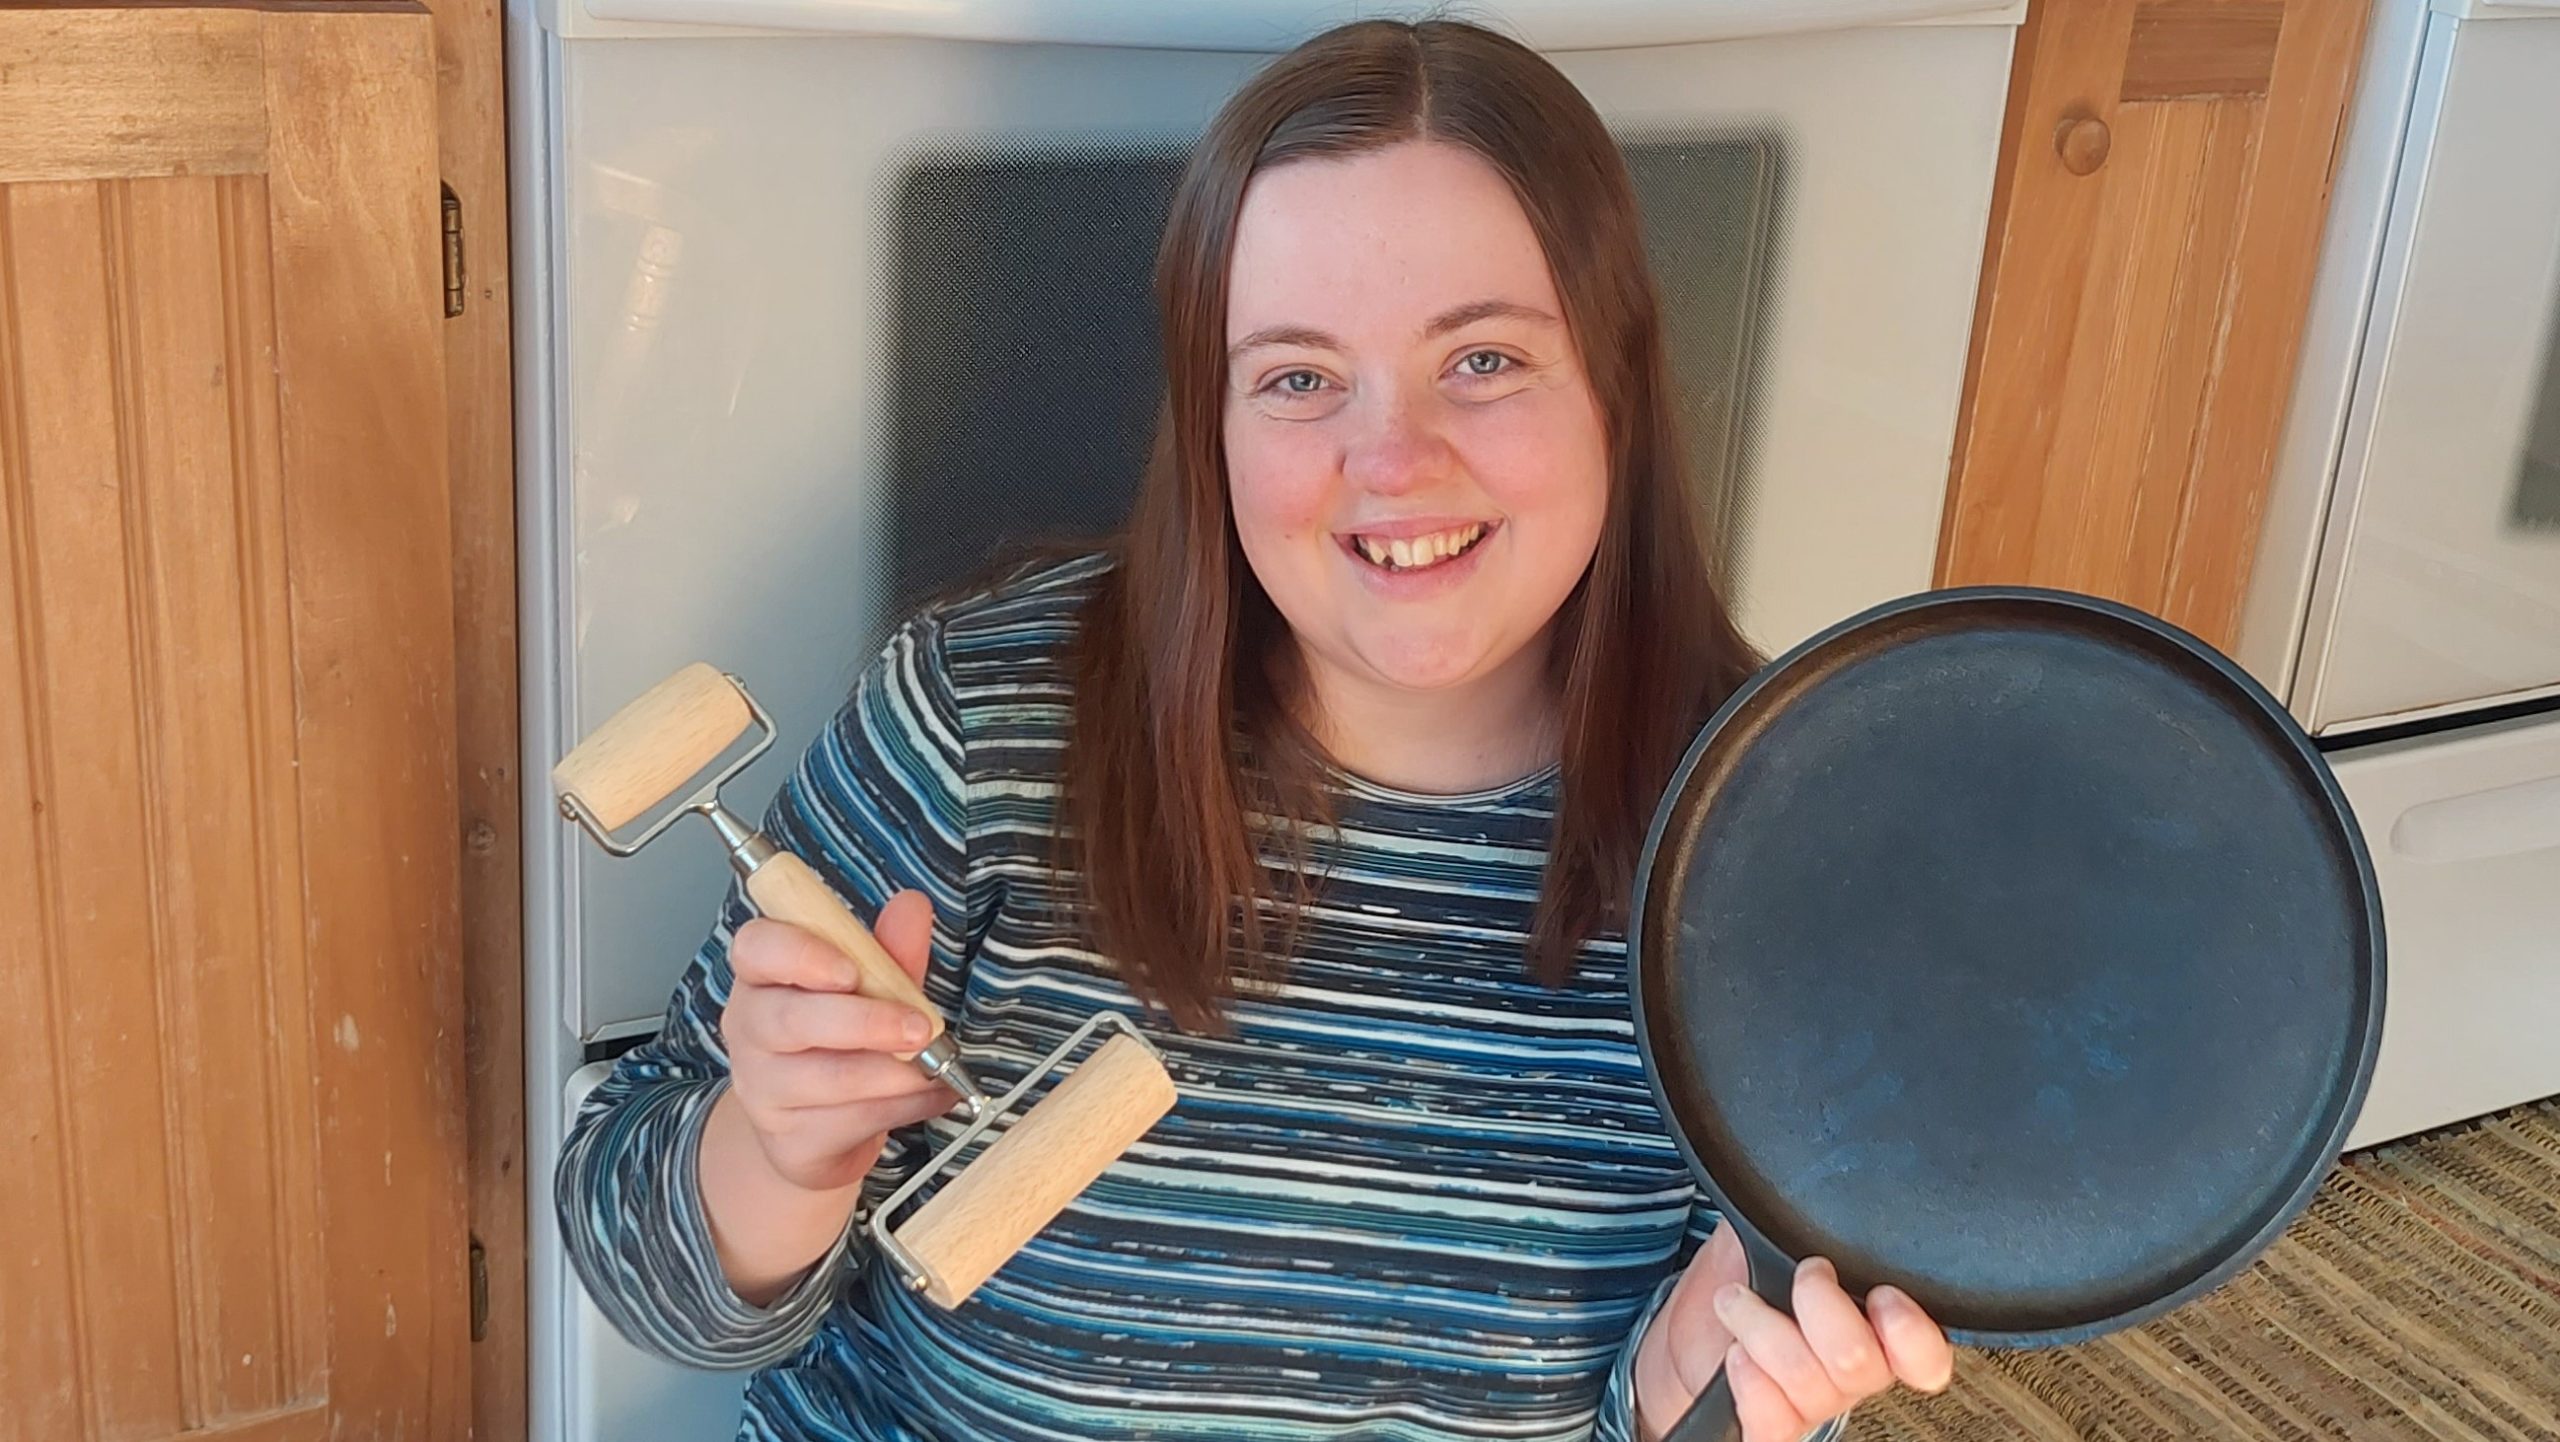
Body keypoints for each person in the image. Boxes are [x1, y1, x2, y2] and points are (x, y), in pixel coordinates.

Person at [560, 18, 1955, 1442]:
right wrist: (778, 1156)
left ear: (1617, 386)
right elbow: (644, 1264)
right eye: (1297, 376)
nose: (1394, 460)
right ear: (1210, 422)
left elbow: (1682, 1398)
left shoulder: (1772, 838)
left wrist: (1691, 1401)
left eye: (1482, 359)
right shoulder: (982, 723)